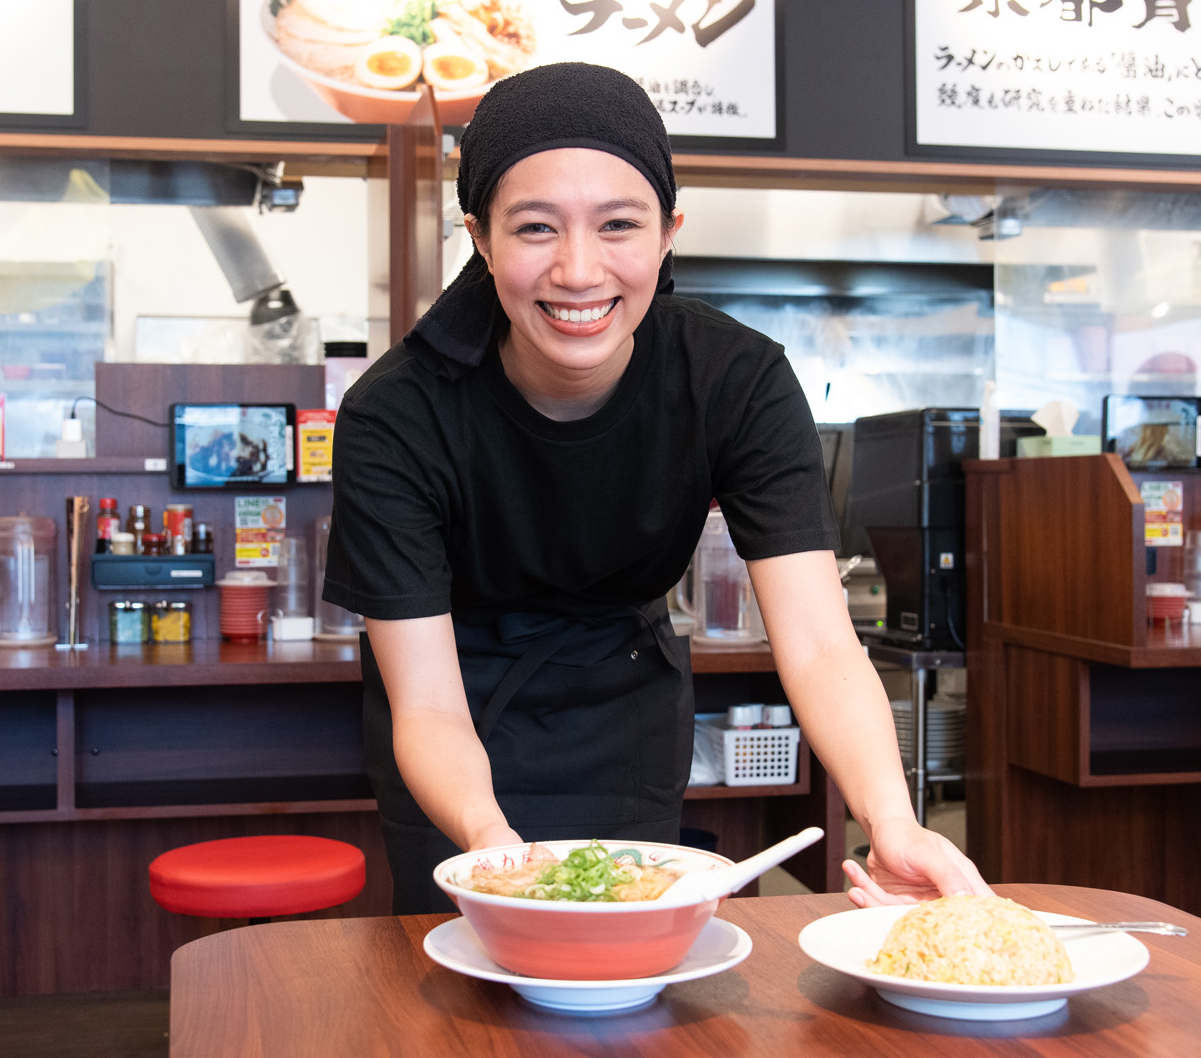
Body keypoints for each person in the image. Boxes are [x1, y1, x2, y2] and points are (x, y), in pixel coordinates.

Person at [322, 62, 990, 914]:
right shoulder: (398, 414)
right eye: (534, 228)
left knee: (631, 985)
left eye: (618, 225)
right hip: (454, 729)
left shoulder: (734, 381)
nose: (578, 268)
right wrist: (493, 850)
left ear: (668, 232)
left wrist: (891, 819)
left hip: (624, 705)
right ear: (481, 239)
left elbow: (822, 644)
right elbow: (425, 700)